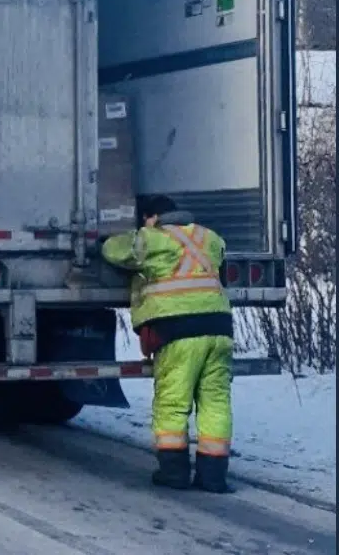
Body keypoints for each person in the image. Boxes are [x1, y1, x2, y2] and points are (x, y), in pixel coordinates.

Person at [101, 194, 234, 493]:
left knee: (173, 401)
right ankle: (213, 477)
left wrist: (103, 241)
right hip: (220, 327)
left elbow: (115, 250)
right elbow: (220, 260)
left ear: (151, 217)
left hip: (179, 329)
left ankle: (174, 473)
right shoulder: (209, 237)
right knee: (215, 402)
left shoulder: (153, 239)